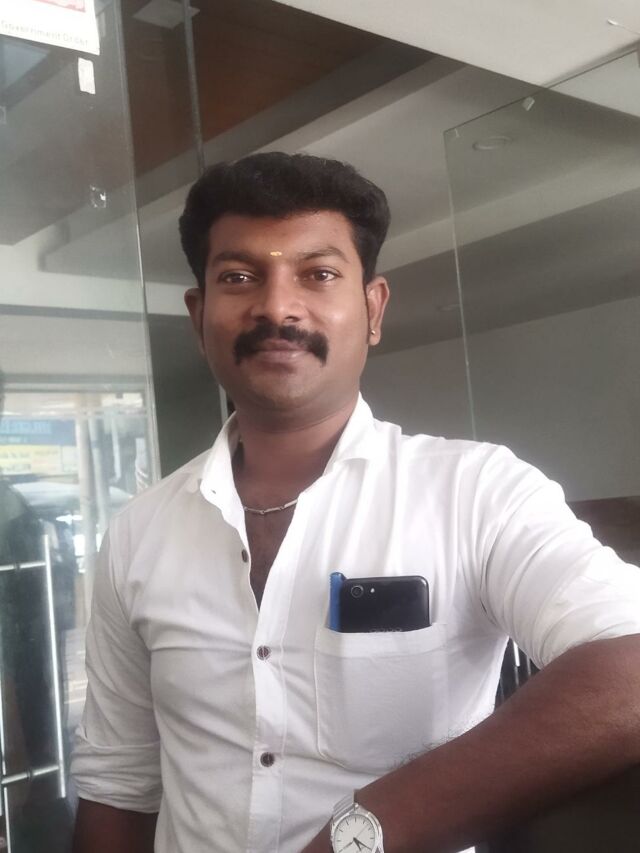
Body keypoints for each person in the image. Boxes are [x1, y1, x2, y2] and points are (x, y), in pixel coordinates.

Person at [71, 153, 640, 853]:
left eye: (318, 274)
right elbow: (119, 782)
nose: (277, 307)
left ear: (372, 309)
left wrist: (363, 831)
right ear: (199, 315)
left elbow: (631, 664)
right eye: (239, 277)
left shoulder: (476, 491)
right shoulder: (139, 530)